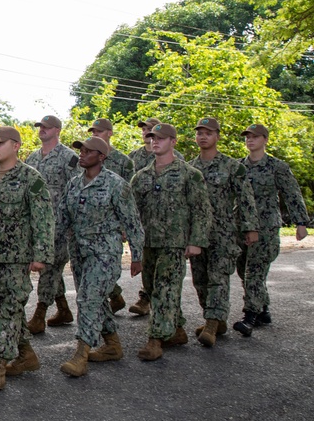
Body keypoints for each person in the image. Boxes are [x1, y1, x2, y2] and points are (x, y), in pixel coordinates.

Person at [56, 138, 144, 377]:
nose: (81, 155)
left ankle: (81, 354)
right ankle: (113, 345)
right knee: (94, 300)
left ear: (102, 156)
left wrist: (137, 256)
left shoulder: (116, 184)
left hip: (104, 253)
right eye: (80, 151)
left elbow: (132, 222)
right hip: (80, 253)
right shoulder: (74, 184)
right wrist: (45, 250)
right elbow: (61, 221)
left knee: (87, 298)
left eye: (87, 151)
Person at [0, 127, 54, 394]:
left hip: (16, 259)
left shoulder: (31, 179)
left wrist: (41, 255)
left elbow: (43, 219)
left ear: (16, 146)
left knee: (8, 310)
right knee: (4, 310)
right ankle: (26, 354)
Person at [129, 123, 210, 361]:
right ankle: (177, 330)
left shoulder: (189, 174)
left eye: (161, 138)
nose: (155, 141)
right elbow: (133, 214)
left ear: (173, 142)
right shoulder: (141, 176)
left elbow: (201, 211)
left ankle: (155, 340)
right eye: (152, 137)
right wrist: (134, 247)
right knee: (153, 290)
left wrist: (196, 241)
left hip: (174, 243)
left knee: (166, 288)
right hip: (148, 243)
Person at [232, 123, 310, 335]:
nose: (250, 140)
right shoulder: (238, 166)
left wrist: (301, 223)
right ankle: (263, 308)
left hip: (265, 227)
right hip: (241, 226)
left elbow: (292, 194)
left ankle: (249, 317)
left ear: (265, 140)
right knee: (242, 269)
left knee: (254, 272)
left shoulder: (277, 167)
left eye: (255, 137)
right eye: (247, 137)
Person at [187, 118, 259, 346]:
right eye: (199, 133)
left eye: (208, 133)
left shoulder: (232, 166)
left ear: (217, 136)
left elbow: (245, 198)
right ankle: (217, 319)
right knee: (200, 280)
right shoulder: (189, 168)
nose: (203, 137)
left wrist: (250, 228)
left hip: (223, 232)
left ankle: (211, 323)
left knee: (218, 278)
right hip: (197, 234)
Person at [25, 115, 78, 332]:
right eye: (40, 127)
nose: (42, 130)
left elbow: (76, 189)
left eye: (46, 127)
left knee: (49, 266)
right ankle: (63, 309)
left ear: (57, 130)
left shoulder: (69, 158)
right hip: (36, 224)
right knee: (52, 268)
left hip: (59, 224)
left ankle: (40, 312)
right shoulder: (32, 158)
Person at [88, 118, 135, 313]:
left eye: (99, 131)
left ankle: (111, 299)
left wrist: (125, 227)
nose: (95, 134)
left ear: (109, 133)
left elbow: (129, 197)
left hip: (112, 224)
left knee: (106, 265)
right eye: (93, 132)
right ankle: (115, 296)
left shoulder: (124, 161)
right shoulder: (88, 156)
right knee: (93, 267)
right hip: (90, 222)